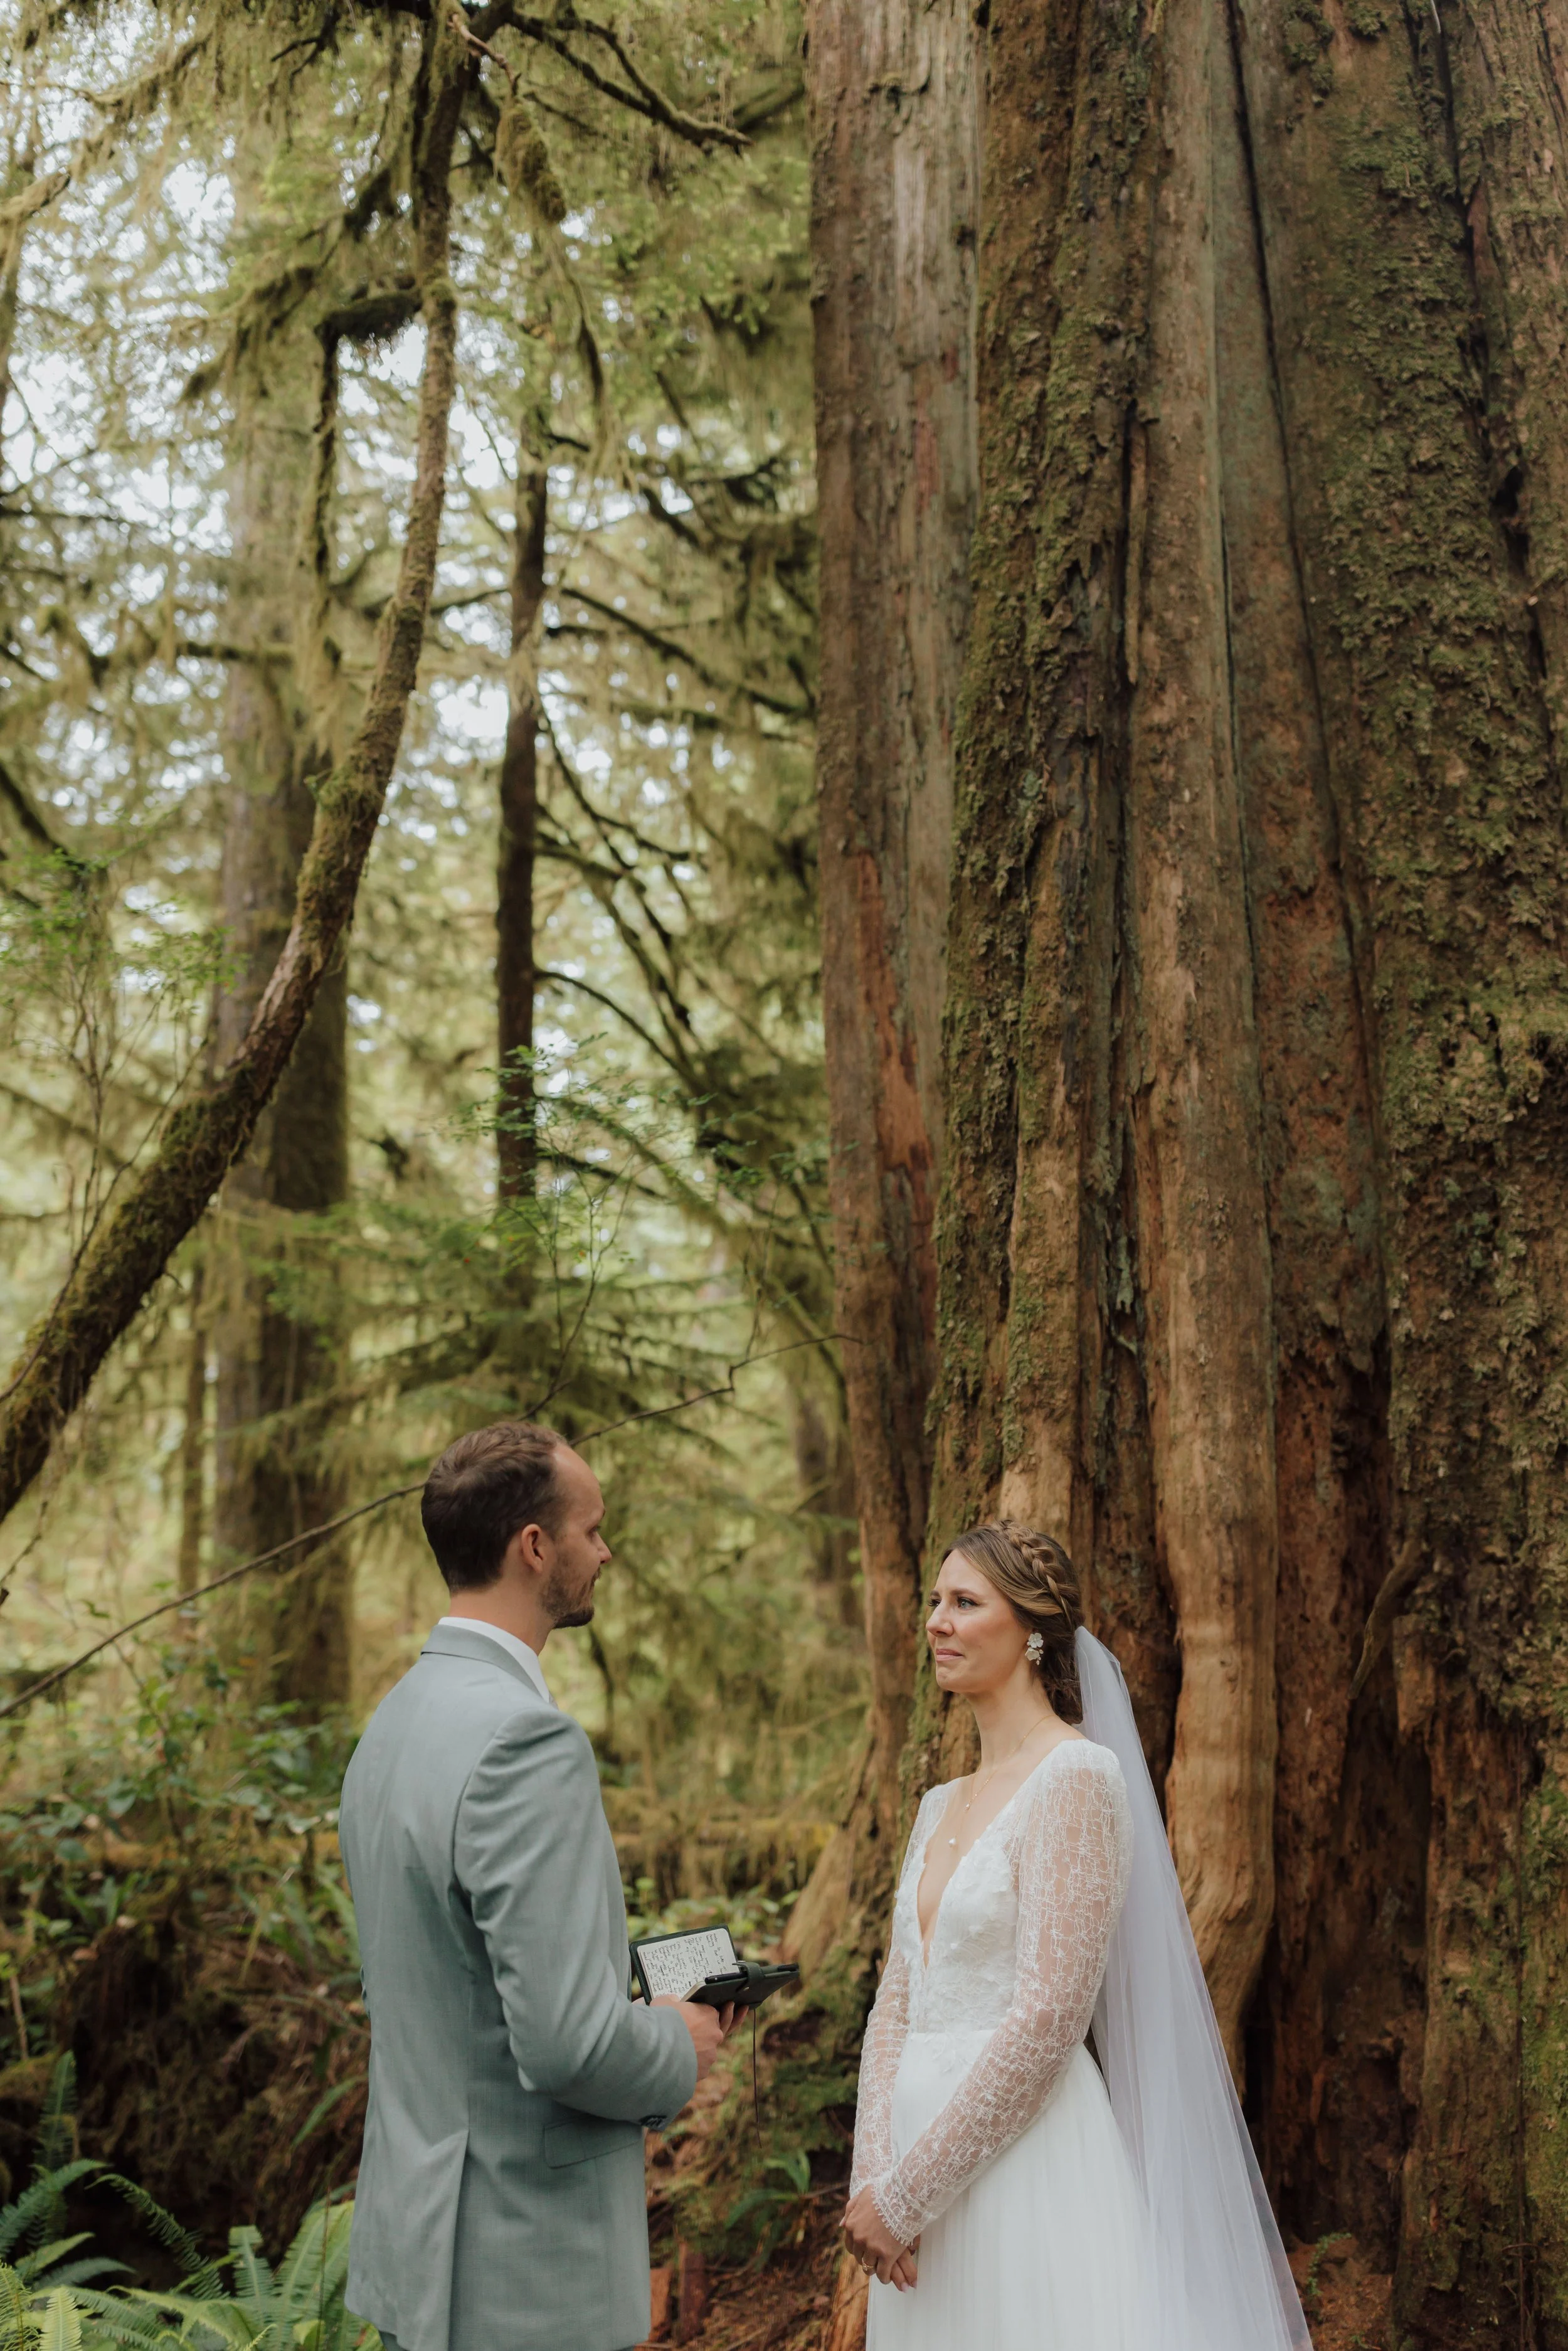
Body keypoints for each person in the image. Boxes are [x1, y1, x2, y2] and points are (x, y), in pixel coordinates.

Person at [842, 1520, 1311, 2351]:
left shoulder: (1077, 1779)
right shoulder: (938, 1804)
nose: (937, 1623)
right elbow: (896, 2001)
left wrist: (911, 2193)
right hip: (908, 2194)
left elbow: (1050, 2017)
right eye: (934, 1602)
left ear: (1031, 1633)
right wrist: (875, 2179)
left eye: (964, 1603)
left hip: (1022, 2170)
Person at [339, 1421, 735, 2351]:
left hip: (418, 2256)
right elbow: (566, 2044)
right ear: (534, 1546)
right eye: (593, 1529)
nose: (605, 1551)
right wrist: (678, 2042)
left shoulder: (392, 1725)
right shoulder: (527, 1742)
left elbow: (450, 1978)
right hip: (523, 2277)